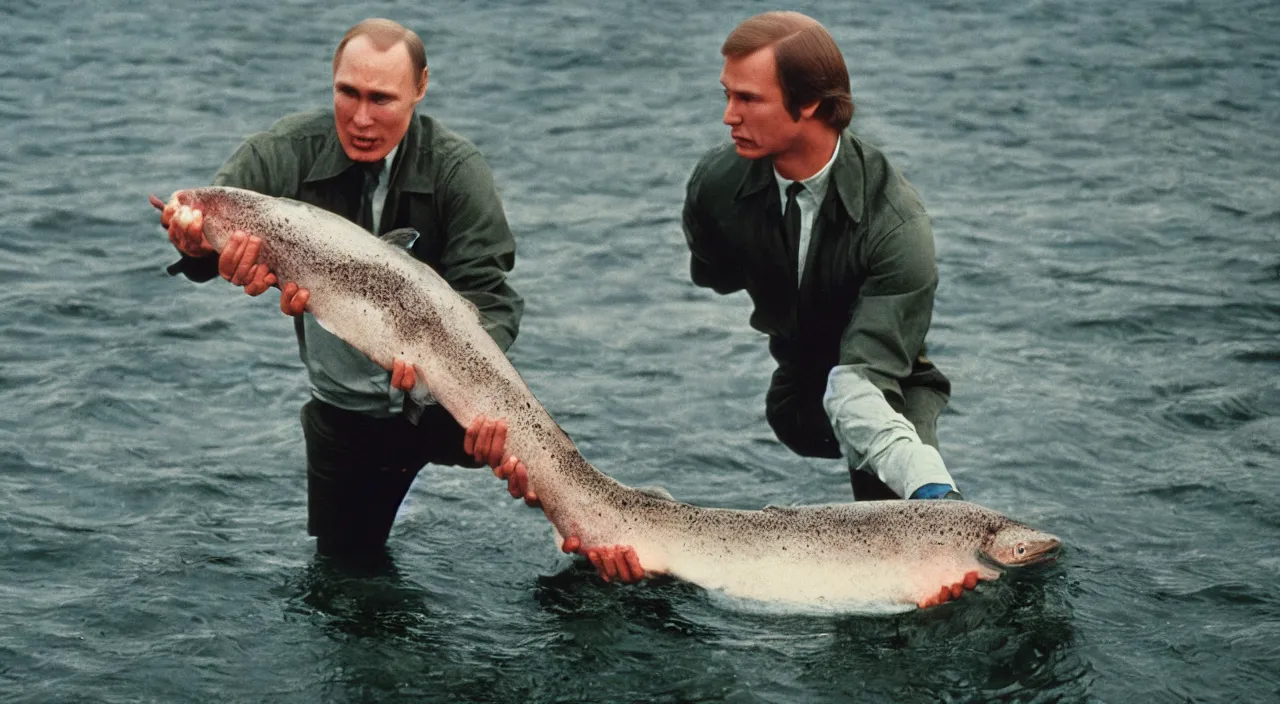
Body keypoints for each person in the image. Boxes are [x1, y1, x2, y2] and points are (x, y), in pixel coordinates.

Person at [467, 11, 962, 585]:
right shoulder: (716, 186)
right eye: (727, 96)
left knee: (917, 547)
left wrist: (936, 494)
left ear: (810, 106)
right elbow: (713, 273)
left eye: (749, 100)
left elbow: (859, 387)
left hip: (885, 383)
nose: (729, 117)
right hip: (797, 393)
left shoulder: (898, 228)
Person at [160, 18, 524, 562]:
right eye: (347, 93)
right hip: (345, 415)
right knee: (344, 585)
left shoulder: (457, 170)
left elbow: (489, 298)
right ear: (332, 80)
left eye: (382, 99)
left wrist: (443, 370)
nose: (361, 118)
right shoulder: (286, 151)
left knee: (573, 519)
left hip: (455, 404)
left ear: (421, 88)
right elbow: (210, 211)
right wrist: (196, 243)